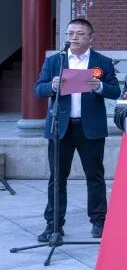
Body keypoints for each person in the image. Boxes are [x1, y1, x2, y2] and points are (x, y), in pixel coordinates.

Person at [33, 18, 120, 241]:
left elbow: (115, 91)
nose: (74, 37)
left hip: (90, 127)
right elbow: (38, 89)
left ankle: (99, 221)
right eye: (70, 33)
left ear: (91, 37)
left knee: (95, 175)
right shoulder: (56, 61)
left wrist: (99, 86)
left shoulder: (102, 62)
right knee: (57, 177)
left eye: (80, 33)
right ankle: (54, 224)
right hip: (60, 127)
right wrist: (52, 86)